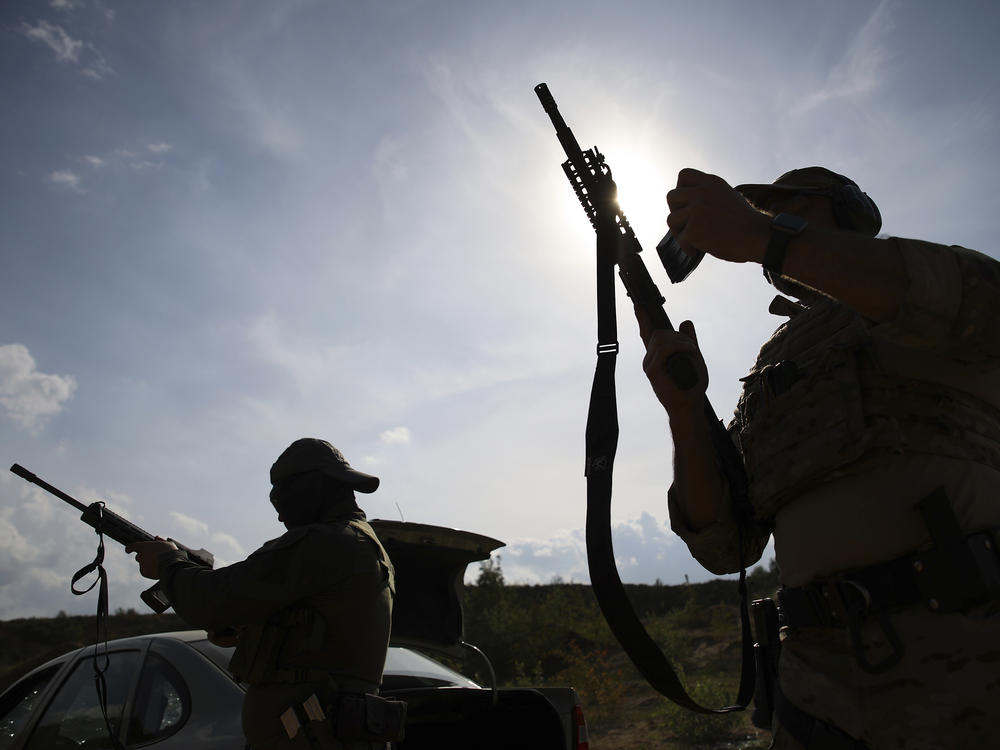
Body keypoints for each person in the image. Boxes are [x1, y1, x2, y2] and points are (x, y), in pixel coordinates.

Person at [636, 167, 1000, 749]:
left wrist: (764, 235)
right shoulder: (772, 363)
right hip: (816, 690)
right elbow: (725, 544)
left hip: (964, 666)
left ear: (843, 212)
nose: (768, 219)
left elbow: (984, 302)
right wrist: (685, 410)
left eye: (788, 206)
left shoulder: (913, 286)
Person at [127, 438, 401, 750]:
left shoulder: (326, 543)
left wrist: (167, 563)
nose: (281, 516)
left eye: (283, 501)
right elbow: (312, 631)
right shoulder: (357, 544)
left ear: (310, 488)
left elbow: (212, 600)